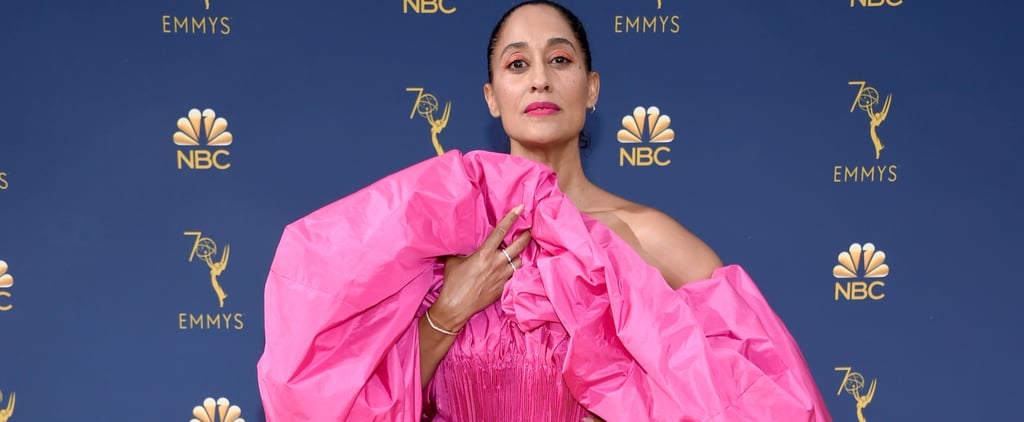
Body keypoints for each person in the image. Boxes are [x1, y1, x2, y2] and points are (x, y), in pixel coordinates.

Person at [257, 1, 829, 421]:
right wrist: (447, 312)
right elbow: (347, 406)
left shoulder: (649, 239)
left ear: (592, 87)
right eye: (516, 65)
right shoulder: (433, 237)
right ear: (491, 97)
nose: (540, 78)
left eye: (560, 59)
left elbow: (763, 399)